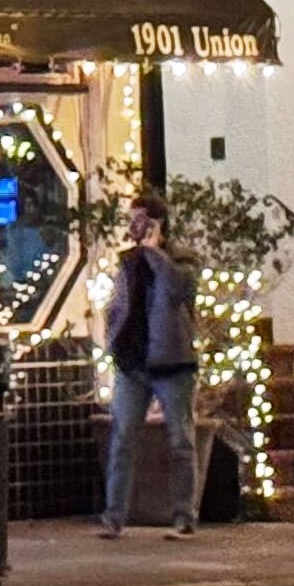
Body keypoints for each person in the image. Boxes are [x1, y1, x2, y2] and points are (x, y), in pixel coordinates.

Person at [100, 192, 201, 541]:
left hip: (173, 363)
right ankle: (113, 518)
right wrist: (113, 337)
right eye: (132, 219)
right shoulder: (128, 262)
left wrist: (156, 252)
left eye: (141, 218)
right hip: (133, 363)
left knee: (180, 441)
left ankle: (184, 517)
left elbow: (177, 291)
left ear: (158, 223)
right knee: (122, 438)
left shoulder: (182, 260)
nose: (134, 226)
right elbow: (118, 305)